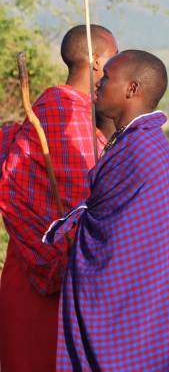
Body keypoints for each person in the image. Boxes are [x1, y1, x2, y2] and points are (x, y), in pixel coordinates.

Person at [43, 50, 169, 371]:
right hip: (149, 302)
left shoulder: (141, 149)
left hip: (135, 303)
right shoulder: (135, 141)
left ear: (132, 89)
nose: (98, 83)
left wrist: (81, 232)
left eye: (108, 76)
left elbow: (117, 240)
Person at [0, 24, 117, 372]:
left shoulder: (54, 111)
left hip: (24, 266)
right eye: (112, 60)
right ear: (96, 62)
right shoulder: (67, 116)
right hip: (60, 278)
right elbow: (92, 200)